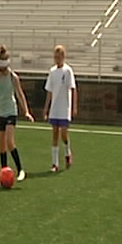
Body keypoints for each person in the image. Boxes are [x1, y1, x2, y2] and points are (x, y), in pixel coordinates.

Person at [0, 45, 34, 181]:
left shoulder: (13, 77)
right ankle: (4, 172)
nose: (1, 71)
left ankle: (20, 169)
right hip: (1, 112)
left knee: (9, 141)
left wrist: (26, 112)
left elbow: (20, 94)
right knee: (1, 144)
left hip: (11, 111)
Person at [42, 45, 77, 173]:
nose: (57, 59)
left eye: (59, 57)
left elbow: (73, 89)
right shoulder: (52, 71)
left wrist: (74, 107)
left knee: (63, 133)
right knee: (55, 134)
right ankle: (55, 163)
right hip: (55, 108)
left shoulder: (68, 71)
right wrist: (46, 108)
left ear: (63, 57)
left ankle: (67, 152)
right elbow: (49, 91)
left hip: (64, 107)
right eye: (55, 57)